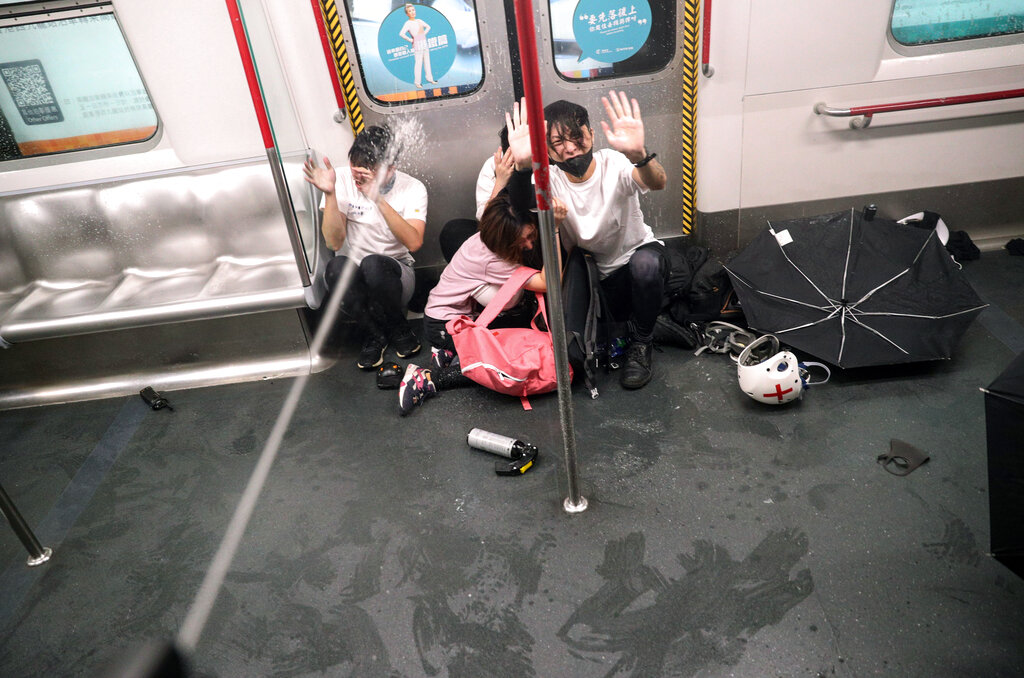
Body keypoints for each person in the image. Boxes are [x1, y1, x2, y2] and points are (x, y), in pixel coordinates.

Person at [397, 107, 566, 414]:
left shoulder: (491, 236)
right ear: (507, 242)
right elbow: (549, 281)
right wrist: (553, 229)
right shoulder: (494, 258)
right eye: (525, 240)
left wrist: (504, 179)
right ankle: (429, 378)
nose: (530, 244)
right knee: (497, 364)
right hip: (442, 323)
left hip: (455, 314)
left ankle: (448, 353)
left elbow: (496, 210)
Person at [515, 91, 668, 389]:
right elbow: (521, 206)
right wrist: (522, 168)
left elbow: (656, 182)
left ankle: (641, 343)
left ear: (592, 134)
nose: (571, 149)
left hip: (635, 263)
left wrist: (640, 155)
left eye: (577, 138)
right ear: (546, 148)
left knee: (646, 264)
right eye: (558, 143)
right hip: (595, 279)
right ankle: (642, 325)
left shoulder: (612, 163)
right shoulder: (549, 179)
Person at [303, 125, 427, 370]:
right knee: (337, 266)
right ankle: (374, 334)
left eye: (370, 171)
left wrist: (377, 198)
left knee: (374, 263)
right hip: (356, 279)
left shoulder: (412, 188)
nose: (359, 177)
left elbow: (414, 243)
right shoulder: (341, 181)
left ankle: (398, 327)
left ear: (391, 169)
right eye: (356, 168)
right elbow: (334, 243)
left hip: (395, 275)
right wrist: (329, 195)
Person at [438, 125, 515, 263]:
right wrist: (501, 181)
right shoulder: (495, 165)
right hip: (504, 232)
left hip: (533, 237)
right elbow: (486, 221)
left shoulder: (549, 167)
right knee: (454, 231)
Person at [399, 3, 436, 89]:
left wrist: (423, 34)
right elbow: (401, 34)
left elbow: (428, 27)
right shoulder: (408, 23)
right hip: (417, 44)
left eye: (413, 10)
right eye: (409, 11)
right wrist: (411, 40)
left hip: (424, 42)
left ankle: (430, 78)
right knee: (418, 63)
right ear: (407, 14)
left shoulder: (419, 20)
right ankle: (417, 82)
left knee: (427, 61)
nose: (412, 12)